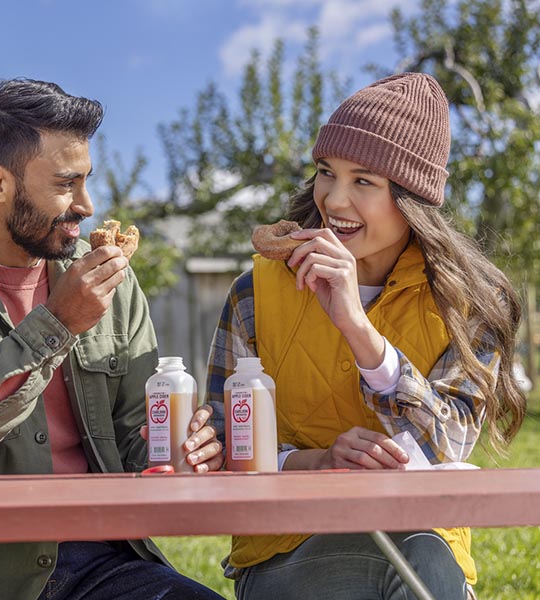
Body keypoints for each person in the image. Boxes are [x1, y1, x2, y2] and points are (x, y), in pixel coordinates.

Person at [0, 78, 224, 600]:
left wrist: (178, 453)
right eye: (65, 183)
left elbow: (136, 442)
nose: (87, 204)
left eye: (87, 181)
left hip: (107, 562)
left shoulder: (108, 281)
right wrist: (58, 324)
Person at [205, 73, 526, 599]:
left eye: (364, 181)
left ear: (411, 198)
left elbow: (448, 447)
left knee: (418, 557)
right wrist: (316, 463)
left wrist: (359, 329)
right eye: (326, 173)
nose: (333, 199)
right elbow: (224, 446)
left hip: (426, 541)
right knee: (410, 569)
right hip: (286, 548)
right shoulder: (254, 294)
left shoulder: (470, 303)